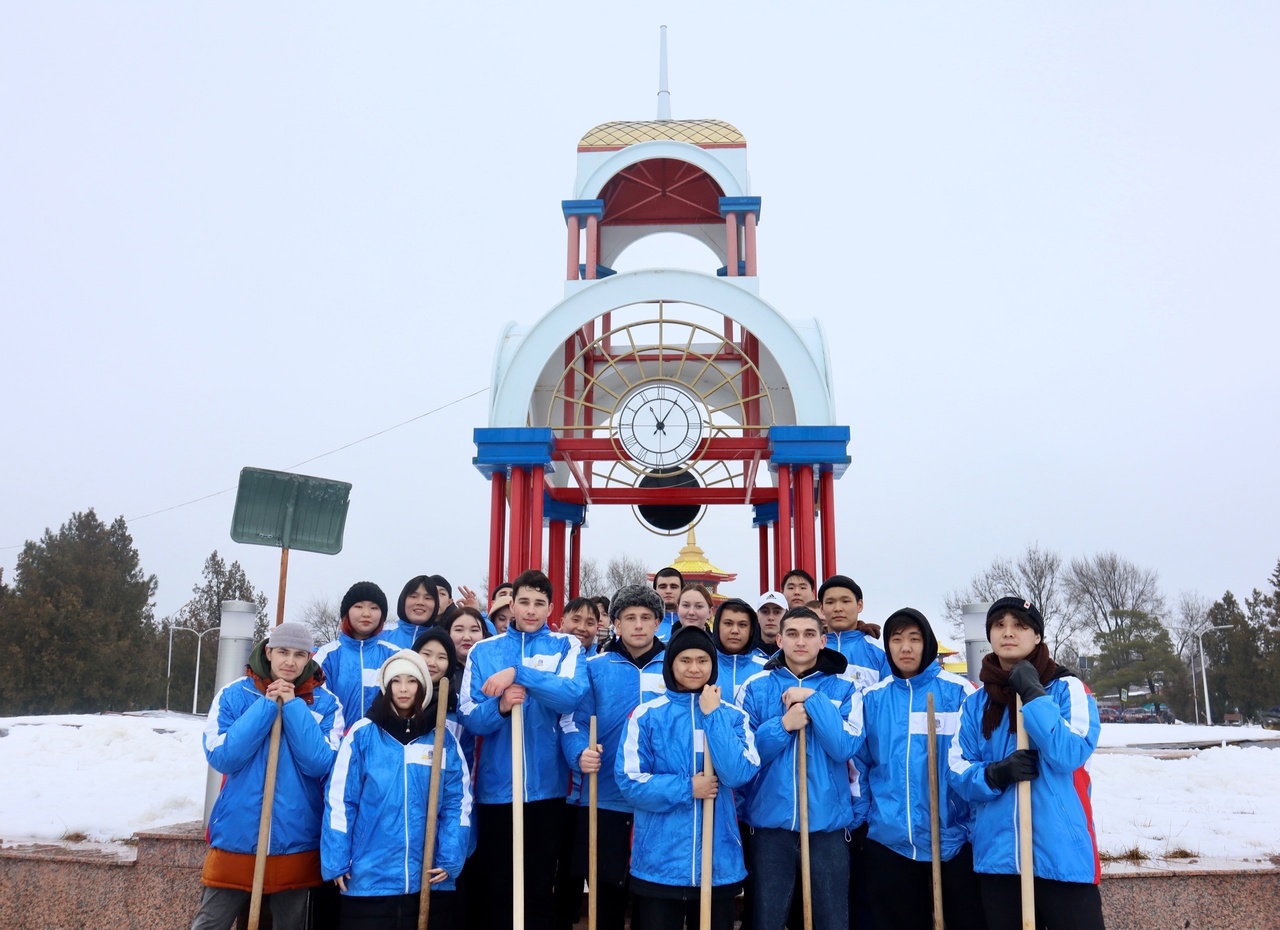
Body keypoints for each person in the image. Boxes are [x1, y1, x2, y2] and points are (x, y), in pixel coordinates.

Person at [948, 597, 1105, 930]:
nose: (1008, 633)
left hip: (1062, 856)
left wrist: (1033, 694)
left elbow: (1069, 753)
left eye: (1020, 625)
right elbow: (958, 770)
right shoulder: (976, 703)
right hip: (1000, 860)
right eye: (999, 625)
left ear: (1037, 636)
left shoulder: (1067, 689)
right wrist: (995, 774)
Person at [459, 569, 588, 930]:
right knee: (498, 887)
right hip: (497, 790)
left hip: (547, 789)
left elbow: (571, 694)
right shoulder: (484, 651)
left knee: (537, 887)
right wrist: (499, 707)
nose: (531, 611)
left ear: (550, 608)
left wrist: (519, 673)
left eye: (540, 603)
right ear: (511, 604)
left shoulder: (566, 646)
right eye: (524, 602)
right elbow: (470, 716)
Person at [193, 622, 344, 930]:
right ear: (268, 651)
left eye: (299, 654)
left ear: (310, 657)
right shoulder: (235, 694)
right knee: (211, 923)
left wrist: (292, 707)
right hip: (237, 834)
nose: (290, 661)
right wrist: (265, 707)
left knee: (289, 925)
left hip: (295, 836)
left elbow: (319, 762)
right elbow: (223, 756)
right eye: (283, 652)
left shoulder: (326, 703)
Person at [617, 626, 760, 930]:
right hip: (659, 861)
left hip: (717, 862)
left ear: (713, 665)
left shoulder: (733, 715)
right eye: (685, 660)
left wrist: (712, 716)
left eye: (702, 660)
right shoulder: (646, 715)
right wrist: (688, 787)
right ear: (671, 665)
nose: (694, 668)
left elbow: (738, 773)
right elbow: (630, 782)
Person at [853, 608, 985, 930]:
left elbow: (974, 759)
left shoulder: (959, 693)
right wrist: (868, 818)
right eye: (897, 640)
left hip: (952, 841)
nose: (905, 648)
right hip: (890, 841)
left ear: (927, 643)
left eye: (914, 639)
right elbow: (860, 766)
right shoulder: (873, 698)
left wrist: (969, 825)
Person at [322, 650, 471, 930]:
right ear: (386, 686)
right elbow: (341, 800)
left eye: (412, 681)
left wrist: (450, 857)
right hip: (368, 878)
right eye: (396, 681)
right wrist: (337, 858)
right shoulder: (363, 734)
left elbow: (457, 802)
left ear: (423, 687)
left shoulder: (442, 737)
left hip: (427, 876)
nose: (403, 689)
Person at [739, 606, 858, 930]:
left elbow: (843, 747)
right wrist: (783, 725)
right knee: (768, 919)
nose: (800, 642)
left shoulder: (844, 689)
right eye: (792, 634)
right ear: (779, 639)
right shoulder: (756, 686)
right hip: (770, 824)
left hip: (827, 825)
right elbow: (744, 755)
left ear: (822, 641)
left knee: (833, 919)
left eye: (809, 634)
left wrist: (813, 700)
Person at [557, 584, 668, 930]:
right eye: (629, 618)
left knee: (653, 897)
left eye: (646, 618)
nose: (638, 625)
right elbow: (571, 721)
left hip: (657, 796)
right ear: (616, 624)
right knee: (606, 892)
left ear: (658, 623)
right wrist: (579, 753)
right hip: (604, 797)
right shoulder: (595, 666)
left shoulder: (675, 666)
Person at [316, 582, 400, 726]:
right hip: (338, 744)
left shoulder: (395, 655)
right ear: (346, 613)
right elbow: (319, 706)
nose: (366, 613)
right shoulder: (326, 656)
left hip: (382, 745)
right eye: (358, 606)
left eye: (374, 608)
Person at [819, 574, 890, 691]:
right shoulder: (808, 648)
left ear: (859, 605)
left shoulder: (881, 652)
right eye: (830, 602)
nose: (838, 608)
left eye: (845, 601)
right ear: (822, 608)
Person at [710, 597, 766, 705]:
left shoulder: (766, 669)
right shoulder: (704, 666)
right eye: (728, 623)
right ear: (717, 627)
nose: (735, 631)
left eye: (742, 625)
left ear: (751, 630)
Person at [382, 575, 440, 650]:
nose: (420, 602)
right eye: (414, 596)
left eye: (427, 598)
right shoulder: (381, 635)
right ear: (403, 600)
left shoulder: (442, 640)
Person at [446, 606, 488, 676]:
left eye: (474, 630)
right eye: (459, 630)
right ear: (448, 634)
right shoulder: (440, 670)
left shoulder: (495, 669)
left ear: (483, 635)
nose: (467, 637)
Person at [652, 566, 684, 642]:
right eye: (663, 587)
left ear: (682, 590)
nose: (668, 591)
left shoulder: (692, 623)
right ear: (654, 591)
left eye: (674, 587)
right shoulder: (644, 625)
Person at [755, 591, 786, 657]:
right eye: (765, 612)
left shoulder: (794, 651)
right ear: (757, 616)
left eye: (777, 612)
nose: (770, 618)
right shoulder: (744, 652)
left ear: (786, 616)